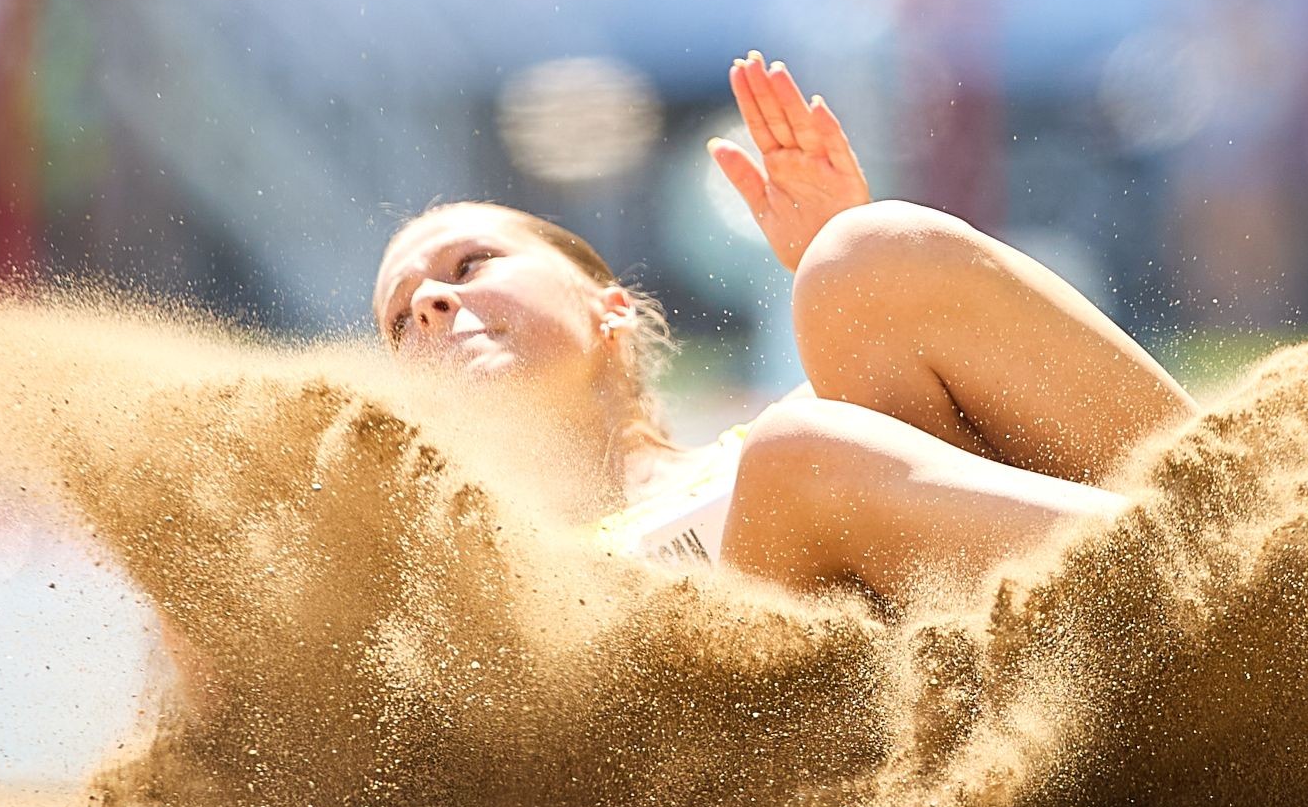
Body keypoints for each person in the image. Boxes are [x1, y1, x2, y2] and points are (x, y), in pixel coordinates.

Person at [373, 53, 1199, 611]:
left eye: (471, 264)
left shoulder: (791, 431)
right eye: (402, 318)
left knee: (864, 260)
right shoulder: (477, 599)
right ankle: (1225, 582)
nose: (434, 304)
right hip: (834, 749)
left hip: (1028, 615)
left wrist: (847, 273)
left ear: (609, 306)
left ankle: (1254, 518)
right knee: (790, 456)